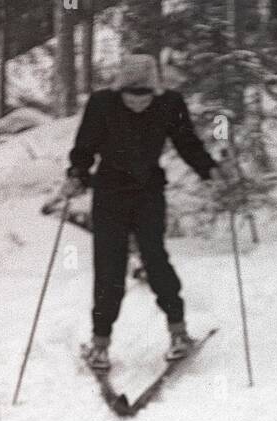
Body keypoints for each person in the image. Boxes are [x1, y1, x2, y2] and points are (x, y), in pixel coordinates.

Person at [62, 54, 228, 371]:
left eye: (145, 95)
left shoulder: (170, 104)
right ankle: (100, 346)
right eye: (131, 94)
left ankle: (178, 334)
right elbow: (84, 147)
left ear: (156, 91)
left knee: (155, 259)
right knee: (109, 268)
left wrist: (209, 170)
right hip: (109, 193)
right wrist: (77, 175)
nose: (138, 102)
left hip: (148, 193)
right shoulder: (101, 104)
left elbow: (187, 143)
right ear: (120, 89)